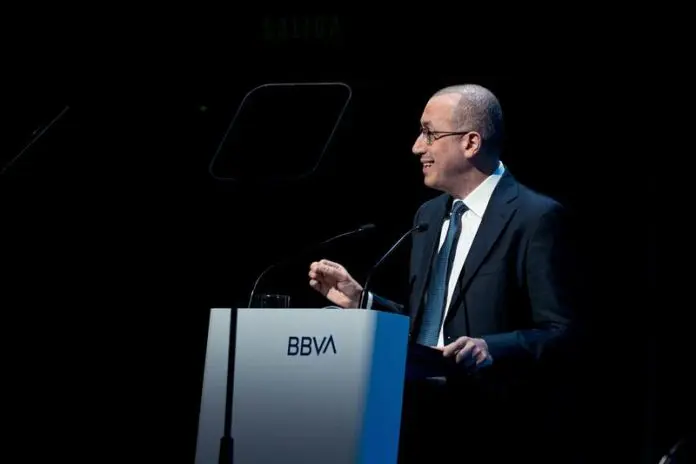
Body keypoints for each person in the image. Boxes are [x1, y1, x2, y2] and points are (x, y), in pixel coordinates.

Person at [308, 84, 580, 462]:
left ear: (470, 143)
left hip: (493, 428)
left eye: (429, 133)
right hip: (415, 421)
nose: (416, 147)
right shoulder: (429, 215)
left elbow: (563, 332)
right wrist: (363, 302)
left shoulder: (536, 218)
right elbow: (427, 328)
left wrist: (490, 348)